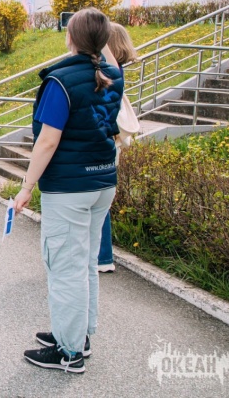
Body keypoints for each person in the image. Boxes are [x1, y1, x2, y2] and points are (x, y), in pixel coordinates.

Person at [14, 7, 123, 374]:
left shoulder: (60, 81)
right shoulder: (112, 75)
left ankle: (69, 351)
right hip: (102, 181)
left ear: (71, 37)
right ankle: (79, 335)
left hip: (69, 187)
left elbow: (47, 141)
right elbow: (106, 62)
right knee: (85, 261)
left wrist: (26, 188)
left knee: (64, 267)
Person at [97, 23, 139, 273]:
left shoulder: (111, 70)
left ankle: (102, 257)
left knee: (99, 201)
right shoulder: (116, 70)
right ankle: (103, 257)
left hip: (106, 142)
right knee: (102, 200)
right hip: (112, 144)